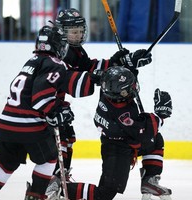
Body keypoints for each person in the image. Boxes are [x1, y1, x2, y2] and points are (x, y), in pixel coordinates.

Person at [0, 24, 102, 200]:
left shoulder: (32, 61)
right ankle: (35, 197)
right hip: (29, 124)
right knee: (49, 158)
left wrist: (58, 107)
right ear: (57, 45)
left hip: (7, 122)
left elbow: (32, 92)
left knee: (5, 164)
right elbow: (41, 96)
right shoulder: (55, 63)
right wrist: (55, 111)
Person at [50, 8, 153, 183]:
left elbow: (89, 66)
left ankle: (59, 178)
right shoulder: (58, 52)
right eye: (74, 32)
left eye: (81, 31)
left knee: (66, 138)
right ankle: (47, 182)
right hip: (43, 104)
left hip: (54, 103)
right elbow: (71, 82)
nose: (79, 35)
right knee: (54, 143)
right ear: (61, 31)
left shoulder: (74, 50)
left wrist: (119, 62)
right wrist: (104, 77)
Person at [47, 66, 172, 200]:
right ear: (122, 93)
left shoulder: (108, 91)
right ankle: (59, 188)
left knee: (155, 140)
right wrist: (161, 115)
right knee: (103, 196)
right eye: (130, 87)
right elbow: (142, 133)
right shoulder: (123, 113)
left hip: (120, 140)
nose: (134, 88)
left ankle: (149, 180)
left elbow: (114, 77)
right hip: (118, 149)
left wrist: (130, 63)